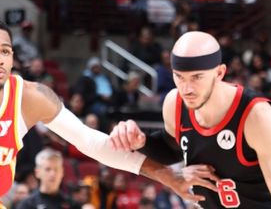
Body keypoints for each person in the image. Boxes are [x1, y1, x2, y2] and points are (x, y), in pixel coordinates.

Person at [0, 23, 202, 202]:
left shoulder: (30, 97)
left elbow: (89, 141)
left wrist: (165, 175)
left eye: (5, 51)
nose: (0, 59)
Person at [108, 31, 271, 208]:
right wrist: (142, 141)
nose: (187, 89)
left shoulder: (256, 116)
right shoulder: (174, 103)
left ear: (219, 73)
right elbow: (172, 150)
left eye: (196, 77)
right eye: (179, 77)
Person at [16, 148, 80, 209]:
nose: (53, 174)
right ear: (37, 172)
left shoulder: (73, 205)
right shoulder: (27, 205)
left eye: (56, 169)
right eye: (47, 169)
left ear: (62, 172)